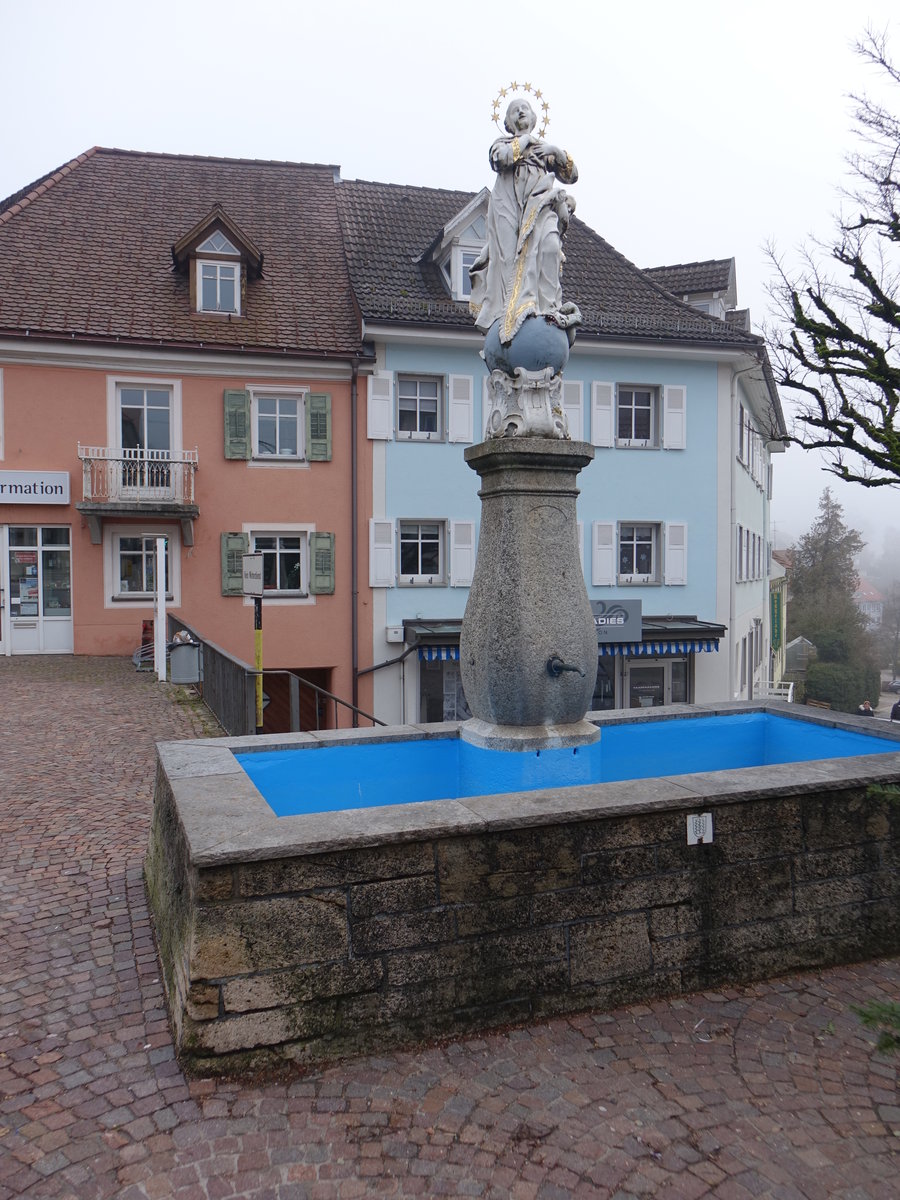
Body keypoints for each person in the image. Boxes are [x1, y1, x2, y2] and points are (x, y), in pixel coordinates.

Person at [469, 98, 579, 345]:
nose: (520, 111)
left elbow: (572, 176)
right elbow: (500, 160)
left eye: (525, 107)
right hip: (508, 206)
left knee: (550, 248)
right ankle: (510, 313)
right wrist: (525, 141)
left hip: (541, 208)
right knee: (509, 260)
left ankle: (547, 306)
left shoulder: (544, 149)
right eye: (514, 110)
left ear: (534, 117)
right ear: (507, 122)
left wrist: (555, 151)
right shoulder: (502, 143)